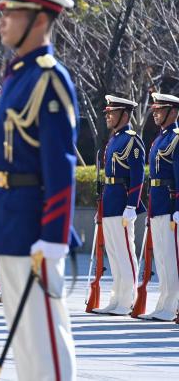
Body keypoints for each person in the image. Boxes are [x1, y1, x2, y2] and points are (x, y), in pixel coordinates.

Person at [0, 0, 78, 380]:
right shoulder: (17, 76)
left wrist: (54, 238)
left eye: (12, 13)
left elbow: (61, 166)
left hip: (36, 228)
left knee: (46, 339)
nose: (2, 20)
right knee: (23, 339)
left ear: (39, 19)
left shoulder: (49, 78)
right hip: (9, 218)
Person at [94, 95, 145, 316]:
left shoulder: (132, 140)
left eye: (112, 113)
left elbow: (138, 175)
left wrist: (132, 206)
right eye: (107, 112)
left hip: (123, 202)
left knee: (125, 252)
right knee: (114, 254)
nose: (108, 116)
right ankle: (117, 298)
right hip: (110, 201)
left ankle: (129, 300)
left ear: (124, 115)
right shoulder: (114, 139)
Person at [139, 92, 179, 321]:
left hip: (169, 203)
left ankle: (171, 305)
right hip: (158, 202)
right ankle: (164, 303)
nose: (155, 113)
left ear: (172, 112)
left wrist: (178, 206)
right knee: (162, 259)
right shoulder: (161, 138)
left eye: (160, 109)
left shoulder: (175, 137)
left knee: (171, 258)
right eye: (154, 109)